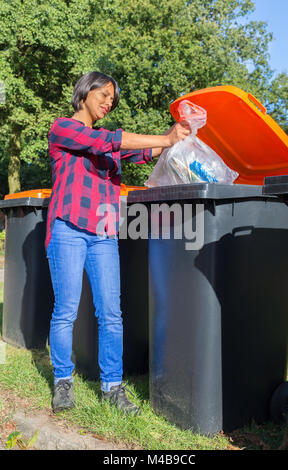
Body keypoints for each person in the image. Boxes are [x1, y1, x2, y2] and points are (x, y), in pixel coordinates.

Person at [46, 71, 191, 415]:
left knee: (111, 313)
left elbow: (141, 151)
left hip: (104, 233)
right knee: (66, 310)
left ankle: (112, 387)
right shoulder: (63, 128)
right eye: (105, 94)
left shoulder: (106, 142)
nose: (109, 102)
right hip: (68, 227)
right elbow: (107, 141)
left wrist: (178, 137)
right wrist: (165, 138)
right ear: (85, 91)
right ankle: (63, 382)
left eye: (113, 99)